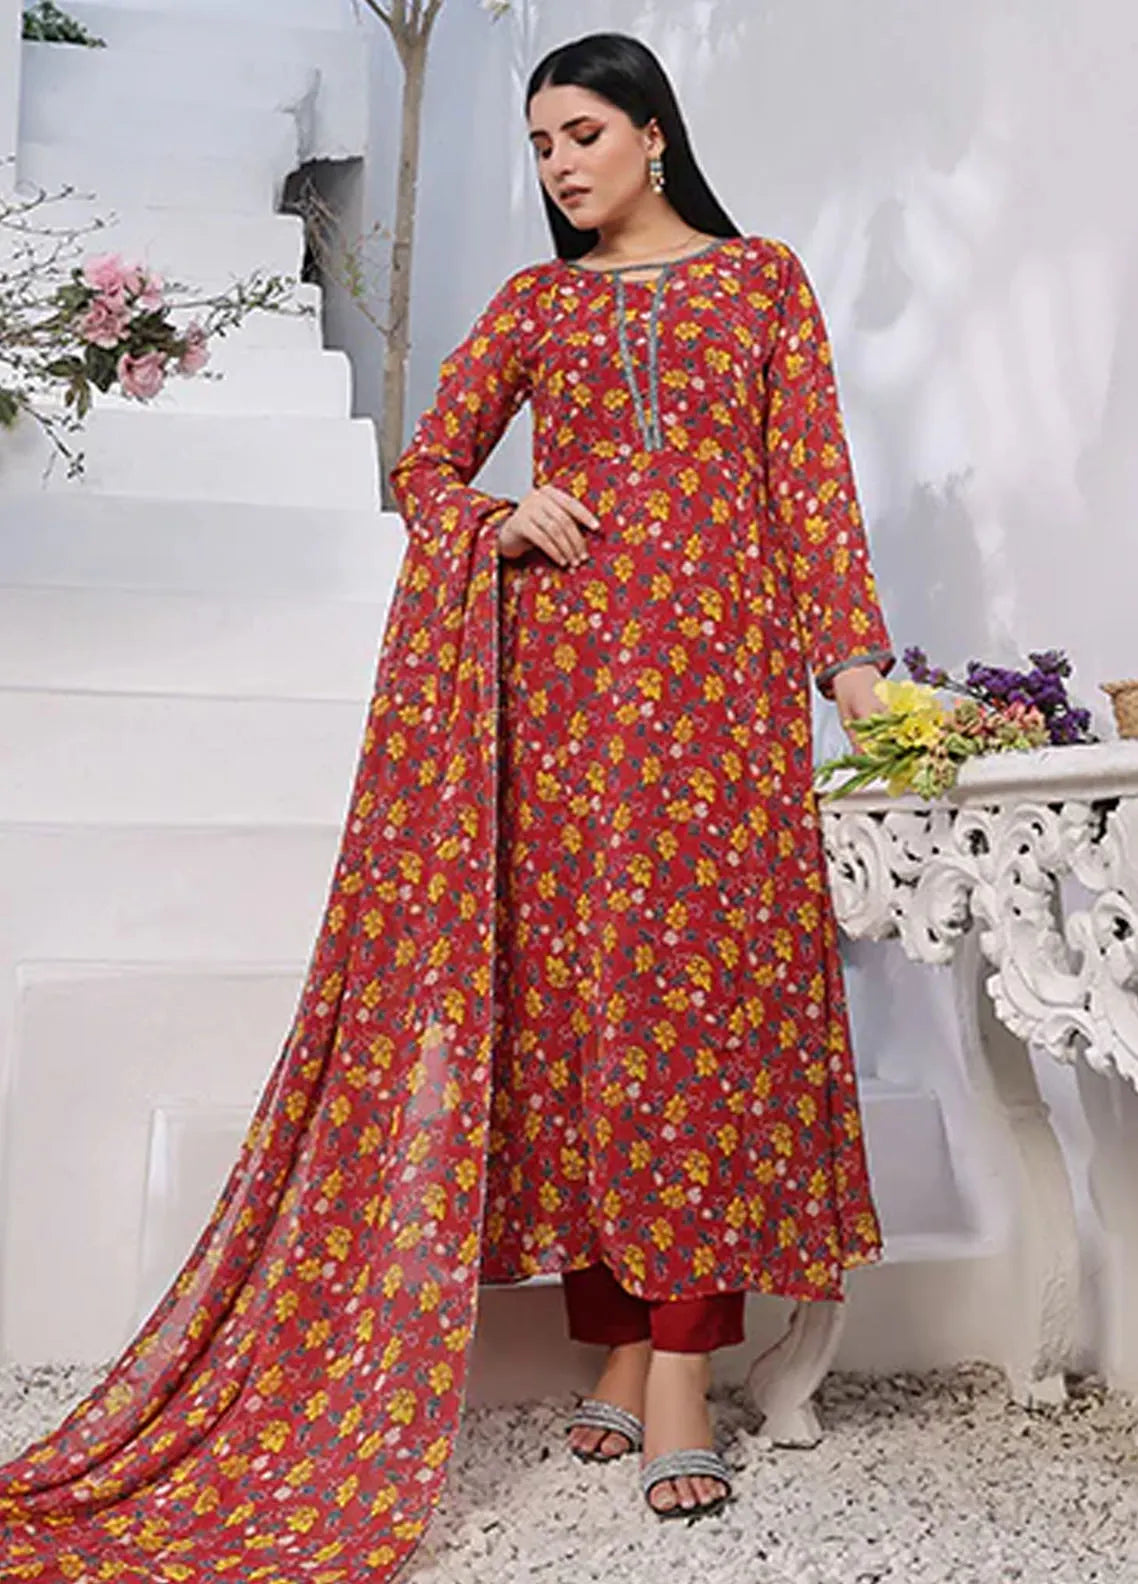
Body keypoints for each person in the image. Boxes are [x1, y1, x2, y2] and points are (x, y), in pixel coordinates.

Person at [0, 29, 893, 1580]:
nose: (558, 164)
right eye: (539, 143)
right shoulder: (538, 304)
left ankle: (677, 1365)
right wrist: (500, 514)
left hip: (722, 710)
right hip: (567, 711)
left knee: (700, 1020)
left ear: (653, 134)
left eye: (581, 133)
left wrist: (863, 688)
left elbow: (810, 490)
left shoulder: (763, 286)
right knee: (593, 1018)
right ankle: (624, 1349)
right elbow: (425, 470)